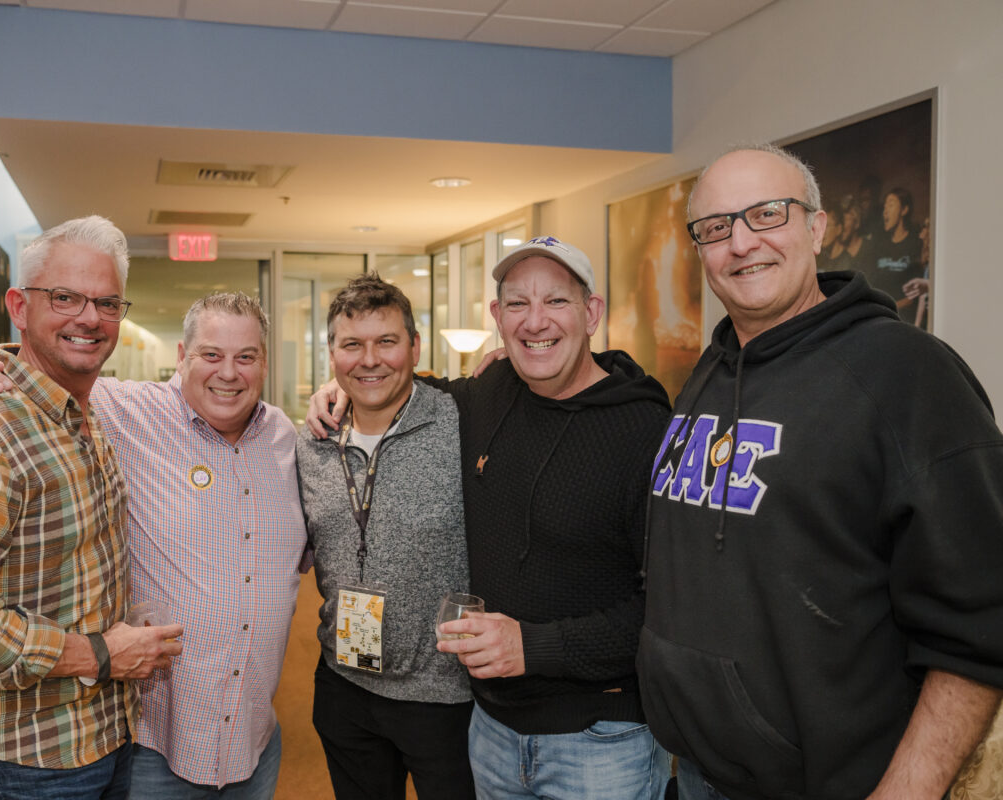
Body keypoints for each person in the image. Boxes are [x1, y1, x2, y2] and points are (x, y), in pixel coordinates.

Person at [640, 144, 1003, 800]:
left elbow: (980, 623)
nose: (741, 243)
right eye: (716, 227)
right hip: (698, 774)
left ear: (817, 227)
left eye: (767, 214)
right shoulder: (711, 371)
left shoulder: (909, 375)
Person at [309, 237, 674, 799]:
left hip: (599, 736)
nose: (536, 322)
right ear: (498, 319)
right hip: (495, 728)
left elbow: (670, 609)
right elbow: (393, 384)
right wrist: (344, 384)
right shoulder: (489, 394)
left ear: (592, 313)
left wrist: (533, 646)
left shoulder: (644, 431)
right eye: (518, 305)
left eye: (556, 301)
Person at [0, 291, 308, 799]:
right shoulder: (124, 412)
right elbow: (39, 383)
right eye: (211, 355)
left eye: (246, 357)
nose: (229, 372)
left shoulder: (285, 438)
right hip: (156, 749)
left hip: (256, 743)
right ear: (181, 357)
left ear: (265, 362)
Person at [0, 216, 183, 800]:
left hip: (102, 736)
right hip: (23, 759)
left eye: (107, 303)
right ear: (19, 306)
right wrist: (100, 655)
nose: (89, 318)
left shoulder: (89, 419)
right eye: (65, 297)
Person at [296, 273, 475, 799]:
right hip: (344, 685)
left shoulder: (462, 420)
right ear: (332, 353)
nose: (369, 360)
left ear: (414, 347)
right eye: (352, 344)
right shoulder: (312, 443)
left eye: (386, 342)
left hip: (444, 695)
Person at [870, 185, 923, 302]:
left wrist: (892, 308)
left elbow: (916, 293)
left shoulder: (915, 244)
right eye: (884, 207)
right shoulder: (879, 245)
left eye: (891, 205)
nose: (885, 211)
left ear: (904, 210)